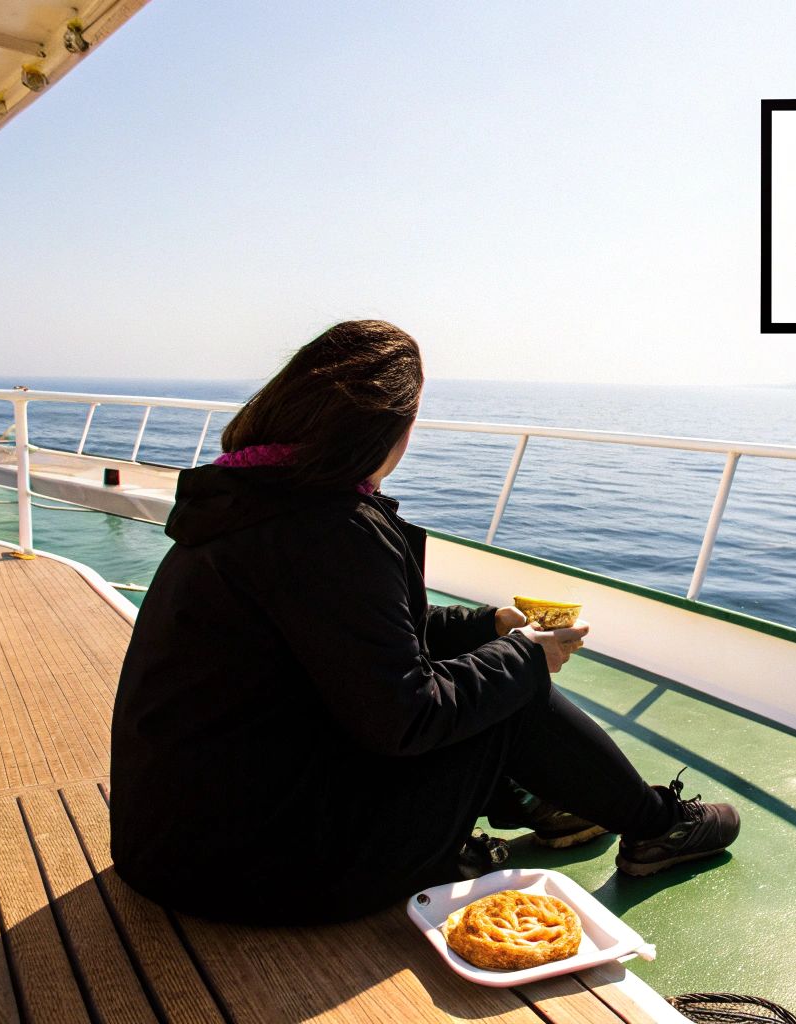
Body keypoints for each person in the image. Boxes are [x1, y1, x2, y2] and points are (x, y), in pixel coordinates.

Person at [109, 320, 739, 925]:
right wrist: (526, 656)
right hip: (265, 874)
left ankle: (537, 799)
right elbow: (405, 716)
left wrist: (484, 625)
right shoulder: (332, 529)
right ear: (390, 429)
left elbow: (355, 634)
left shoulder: (247, 502)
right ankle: (658, 826)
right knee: (514, 694)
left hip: (174, 844)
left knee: (483, 670)